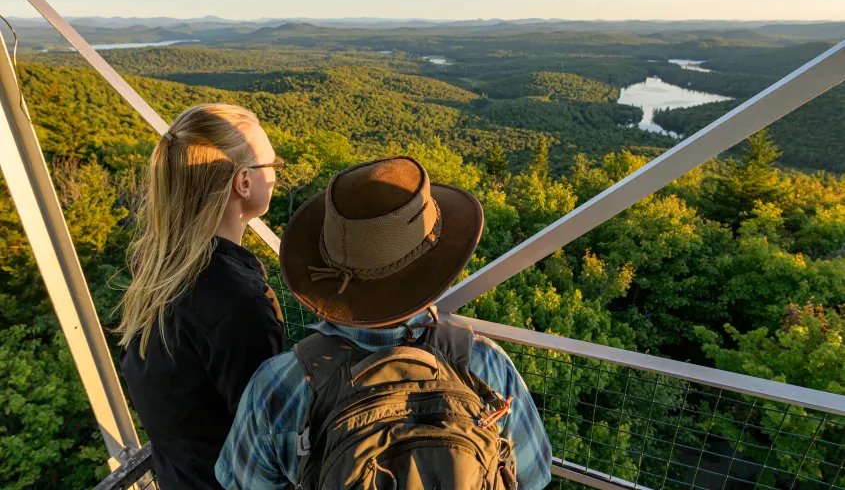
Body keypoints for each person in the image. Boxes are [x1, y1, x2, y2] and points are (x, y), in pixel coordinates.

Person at [216, 156, 551, 490]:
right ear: (435, 267)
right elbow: (533, 476)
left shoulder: (280, 386)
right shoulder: (485, 364)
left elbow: (242, 483)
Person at [118, 104, 287, 490]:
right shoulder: (236, 301)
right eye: (271, 166)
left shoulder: (159, 266)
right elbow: (270, 439)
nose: (275, 176)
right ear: (243, 182)